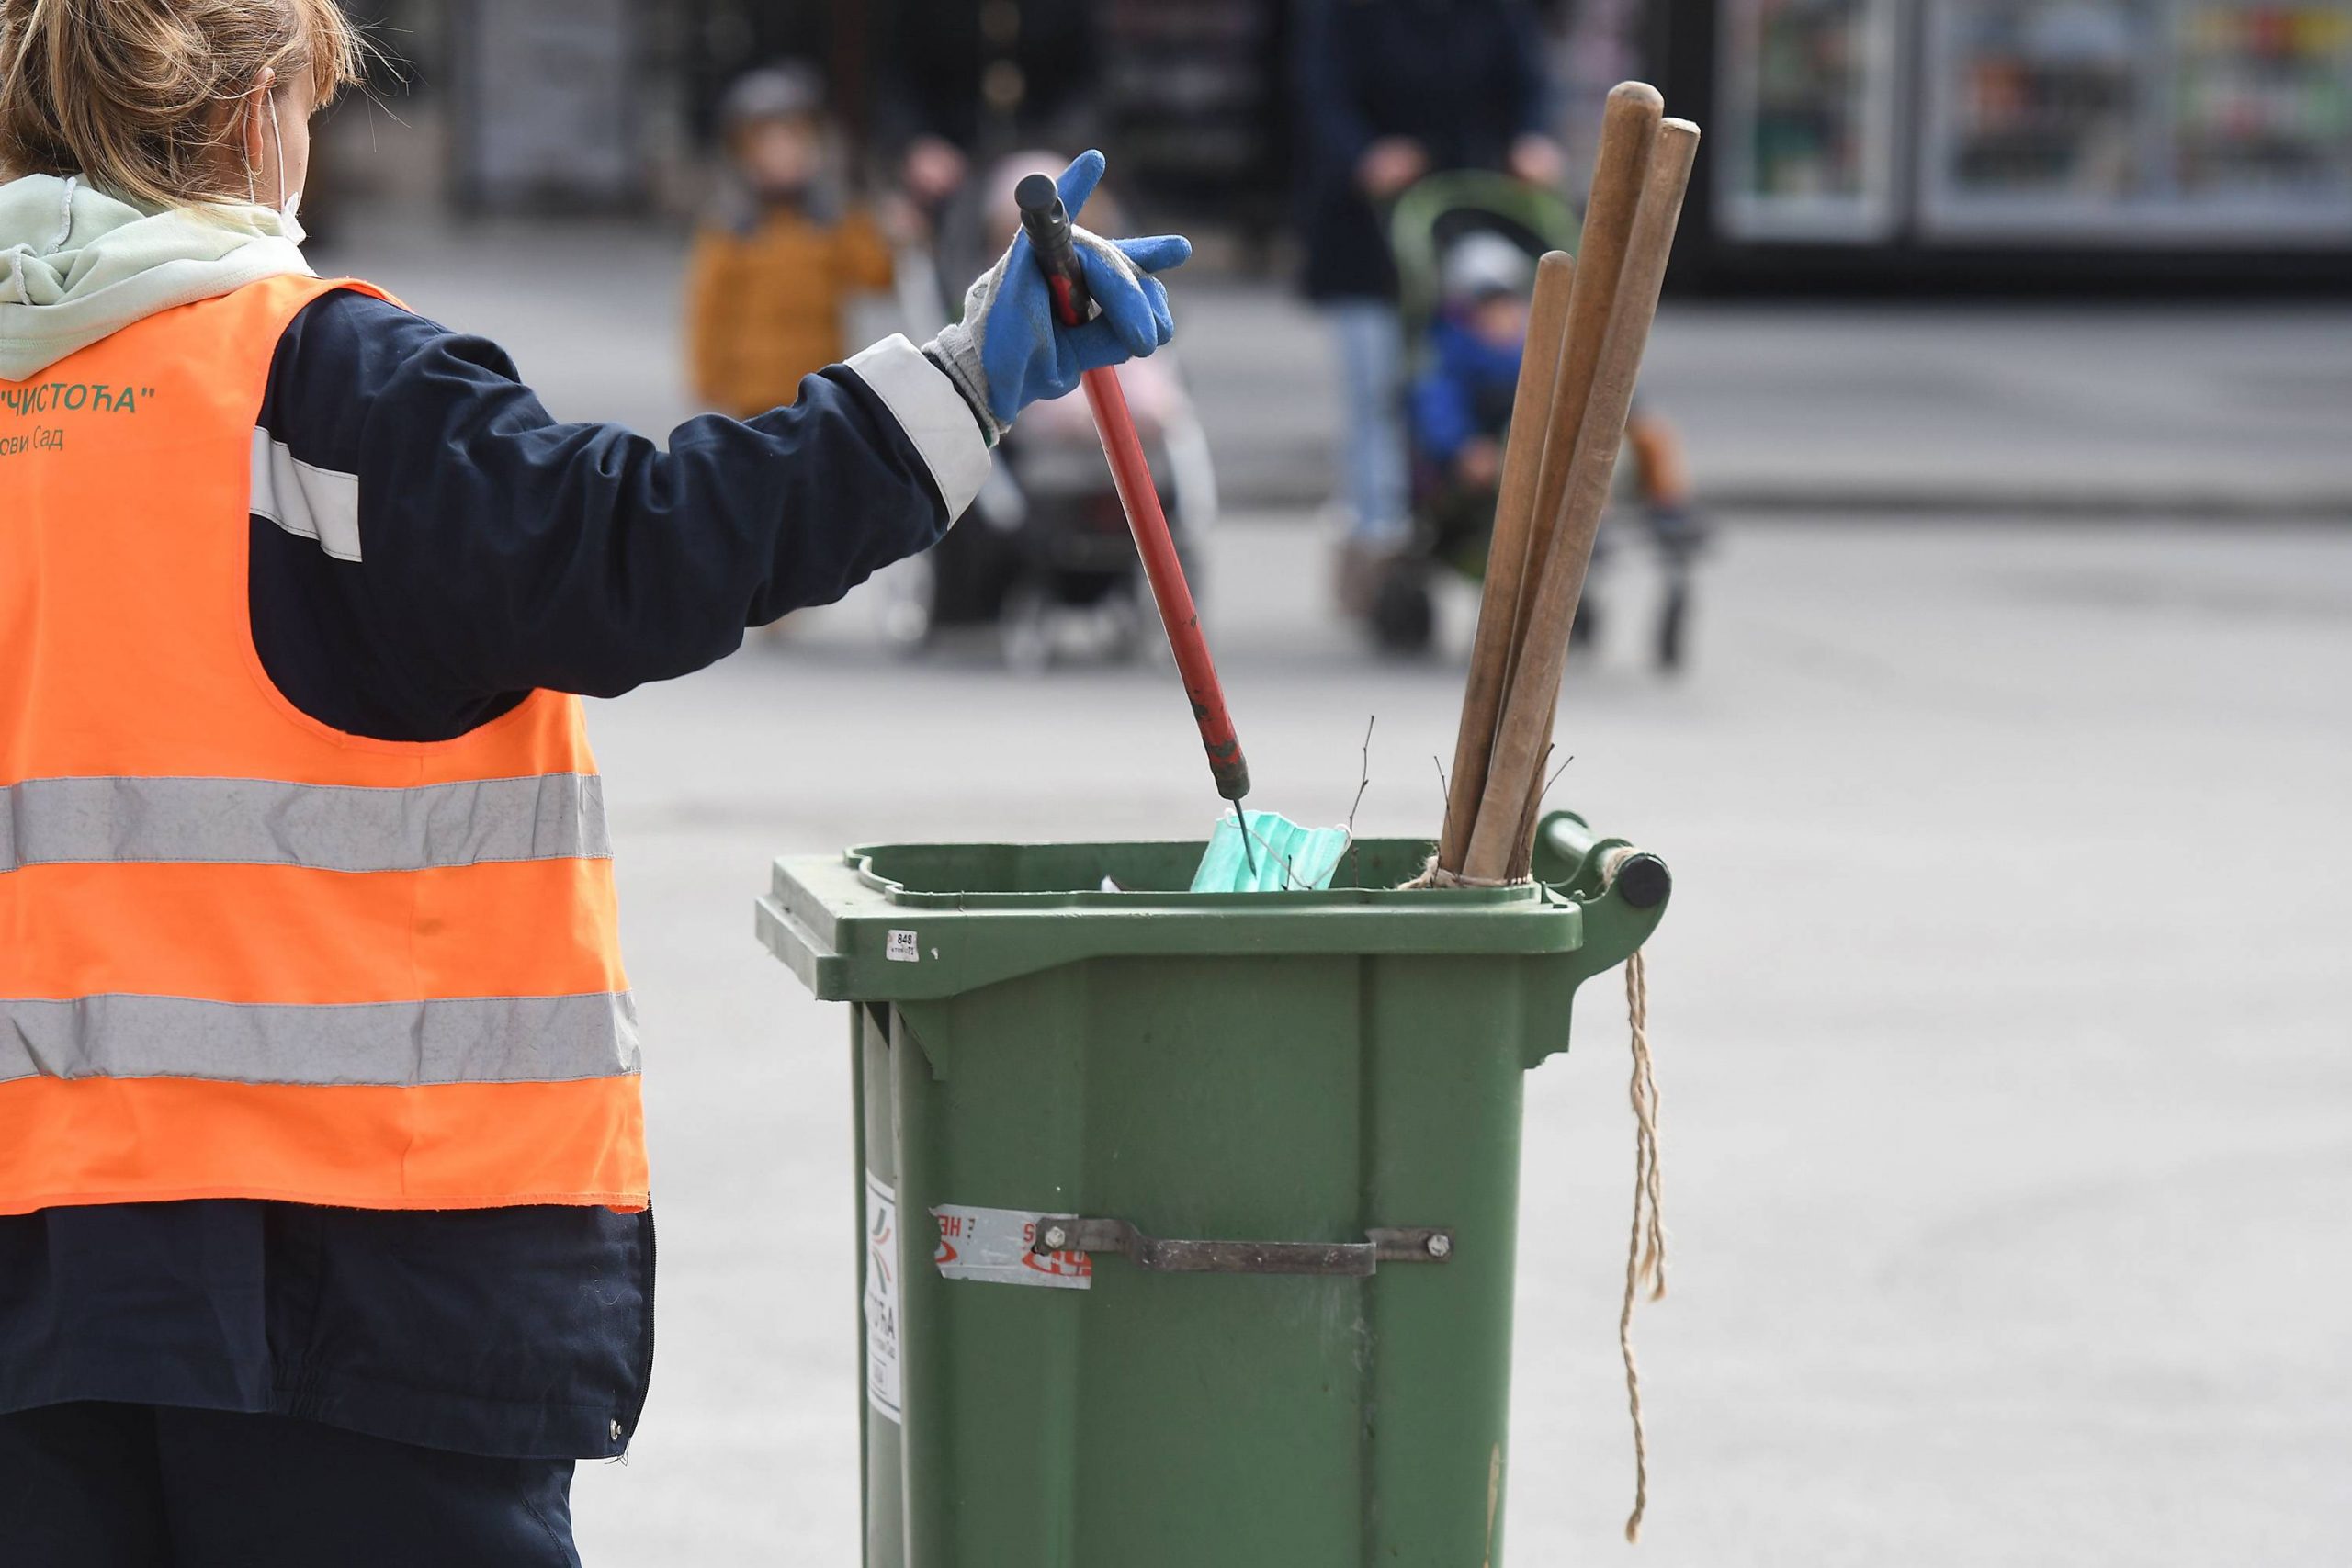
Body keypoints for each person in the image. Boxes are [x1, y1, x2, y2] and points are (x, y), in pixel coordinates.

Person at [0, 1, 1185, 1562]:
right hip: (370, 1272)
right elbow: (638, 551)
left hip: (40, 1285)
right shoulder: (323, 392)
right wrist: (962, 383)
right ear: (254, 120)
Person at [1293, 0, 1564, 614]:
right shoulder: (1345, 16)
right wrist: (1365, 157)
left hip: (1466, 219)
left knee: (1475, 368)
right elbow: (1319, 92)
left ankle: (1489, 512)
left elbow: (1527, 84)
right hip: (1365, 230)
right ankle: (1378, 533)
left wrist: (1531, 143)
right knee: (1379, 388)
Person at [684, 61, 894, 420]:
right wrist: (709, 380)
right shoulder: (732, 230)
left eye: (795, 141)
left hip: (820, 386)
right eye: (768, 144)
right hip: (753, 392)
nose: (783, 155)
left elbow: (876, 275)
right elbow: (708, 311)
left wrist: (865, 216)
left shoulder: (831, 221)